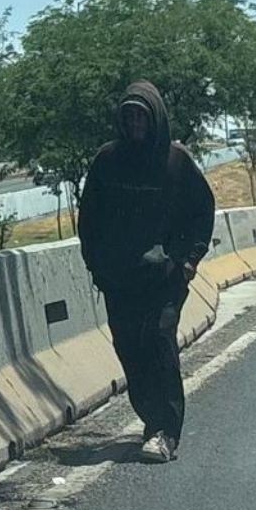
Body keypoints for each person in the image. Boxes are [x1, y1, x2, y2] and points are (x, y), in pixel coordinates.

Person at [78, 80, 216, 463]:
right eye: (130, 116)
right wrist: (97, 264)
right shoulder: (107, 162)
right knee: (130, 347)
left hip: (164, 278)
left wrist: (187, 261)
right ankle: (150, 420)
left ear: (155, 118)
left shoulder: (176, 163)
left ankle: (166, 430)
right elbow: (90, 219)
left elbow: (203, 212)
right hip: (120, 279)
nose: (136, 123)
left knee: (158, 340)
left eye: (142, 116)